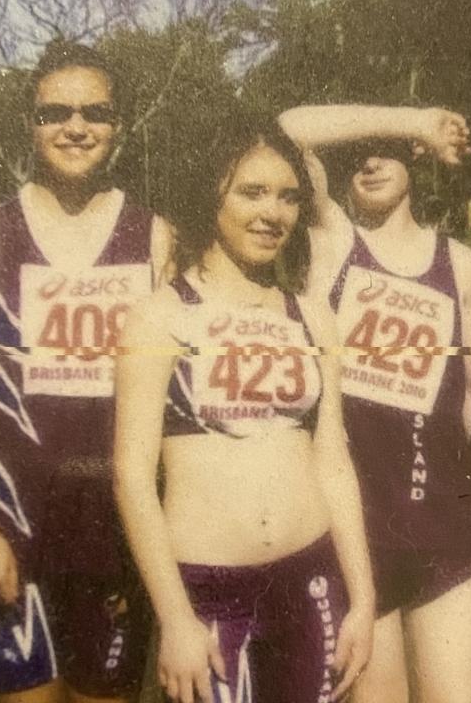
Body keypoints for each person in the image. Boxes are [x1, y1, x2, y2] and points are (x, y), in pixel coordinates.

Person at [112, 117, 375, 703]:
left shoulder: (311, 315)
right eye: (251, 192)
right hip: (207, 593)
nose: (271, 213)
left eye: (286, 197)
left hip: (310, 583)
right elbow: (132, 480)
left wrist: (362, 598)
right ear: (213, 196)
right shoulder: (160, 315)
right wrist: (176, 619)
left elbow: (334, 462)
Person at [0, 41, 172, 702]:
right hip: (15, 534)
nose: (76, 128)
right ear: (30, 123)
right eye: (55, 113)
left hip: (118, 539)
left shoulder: (153, 236)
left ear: (120, 124)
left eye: (95, 112)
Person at [279, 105, 471, 703]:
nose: (368, 162)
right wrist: (413, 120)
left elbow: (466, 402)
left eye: (387, 150)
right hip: (357, 535)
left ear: (416, 161)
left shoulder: (463, 265)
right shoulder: (331, 241)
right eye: (355, 152)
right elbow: (288, 128)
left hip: (444, 530)